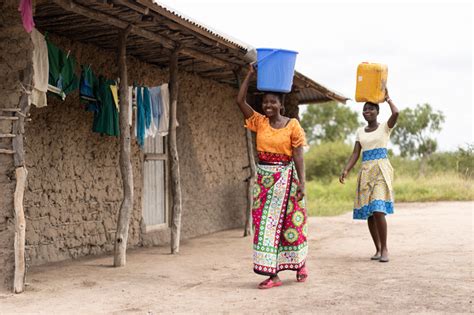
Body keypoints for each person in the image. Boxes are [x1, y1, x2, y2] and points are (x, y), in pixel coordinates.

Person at [236, 64, 308, 289]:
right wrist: (249, 75)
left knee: (290, 224)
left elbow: (298, 155)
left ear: (281, 104)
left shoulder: (292, 126)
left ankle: (299, 264)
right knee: (264, 225)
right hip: (264, 181)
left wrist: (302, 183)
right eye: (265, 102)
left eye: (272, 102)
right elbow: (240, 101)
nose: (268, 105)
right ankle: (273, 274)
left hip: (286, 180)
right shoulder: (259, 122)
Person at [339, 88, 399, 263]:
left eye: (371, 109)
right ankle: (378, 248)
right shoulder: (360, 131)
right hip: (366, 171)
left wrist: (387, 98)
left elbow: (396, 112)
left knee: (379, 209)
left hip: (381, 170)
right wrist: (346, 169)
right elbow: (355, 153)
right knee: (371, 214)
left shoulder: (385, 128)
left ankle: (385, 248)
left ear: (377, 112)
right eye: (365, 109)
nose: (367, 112)